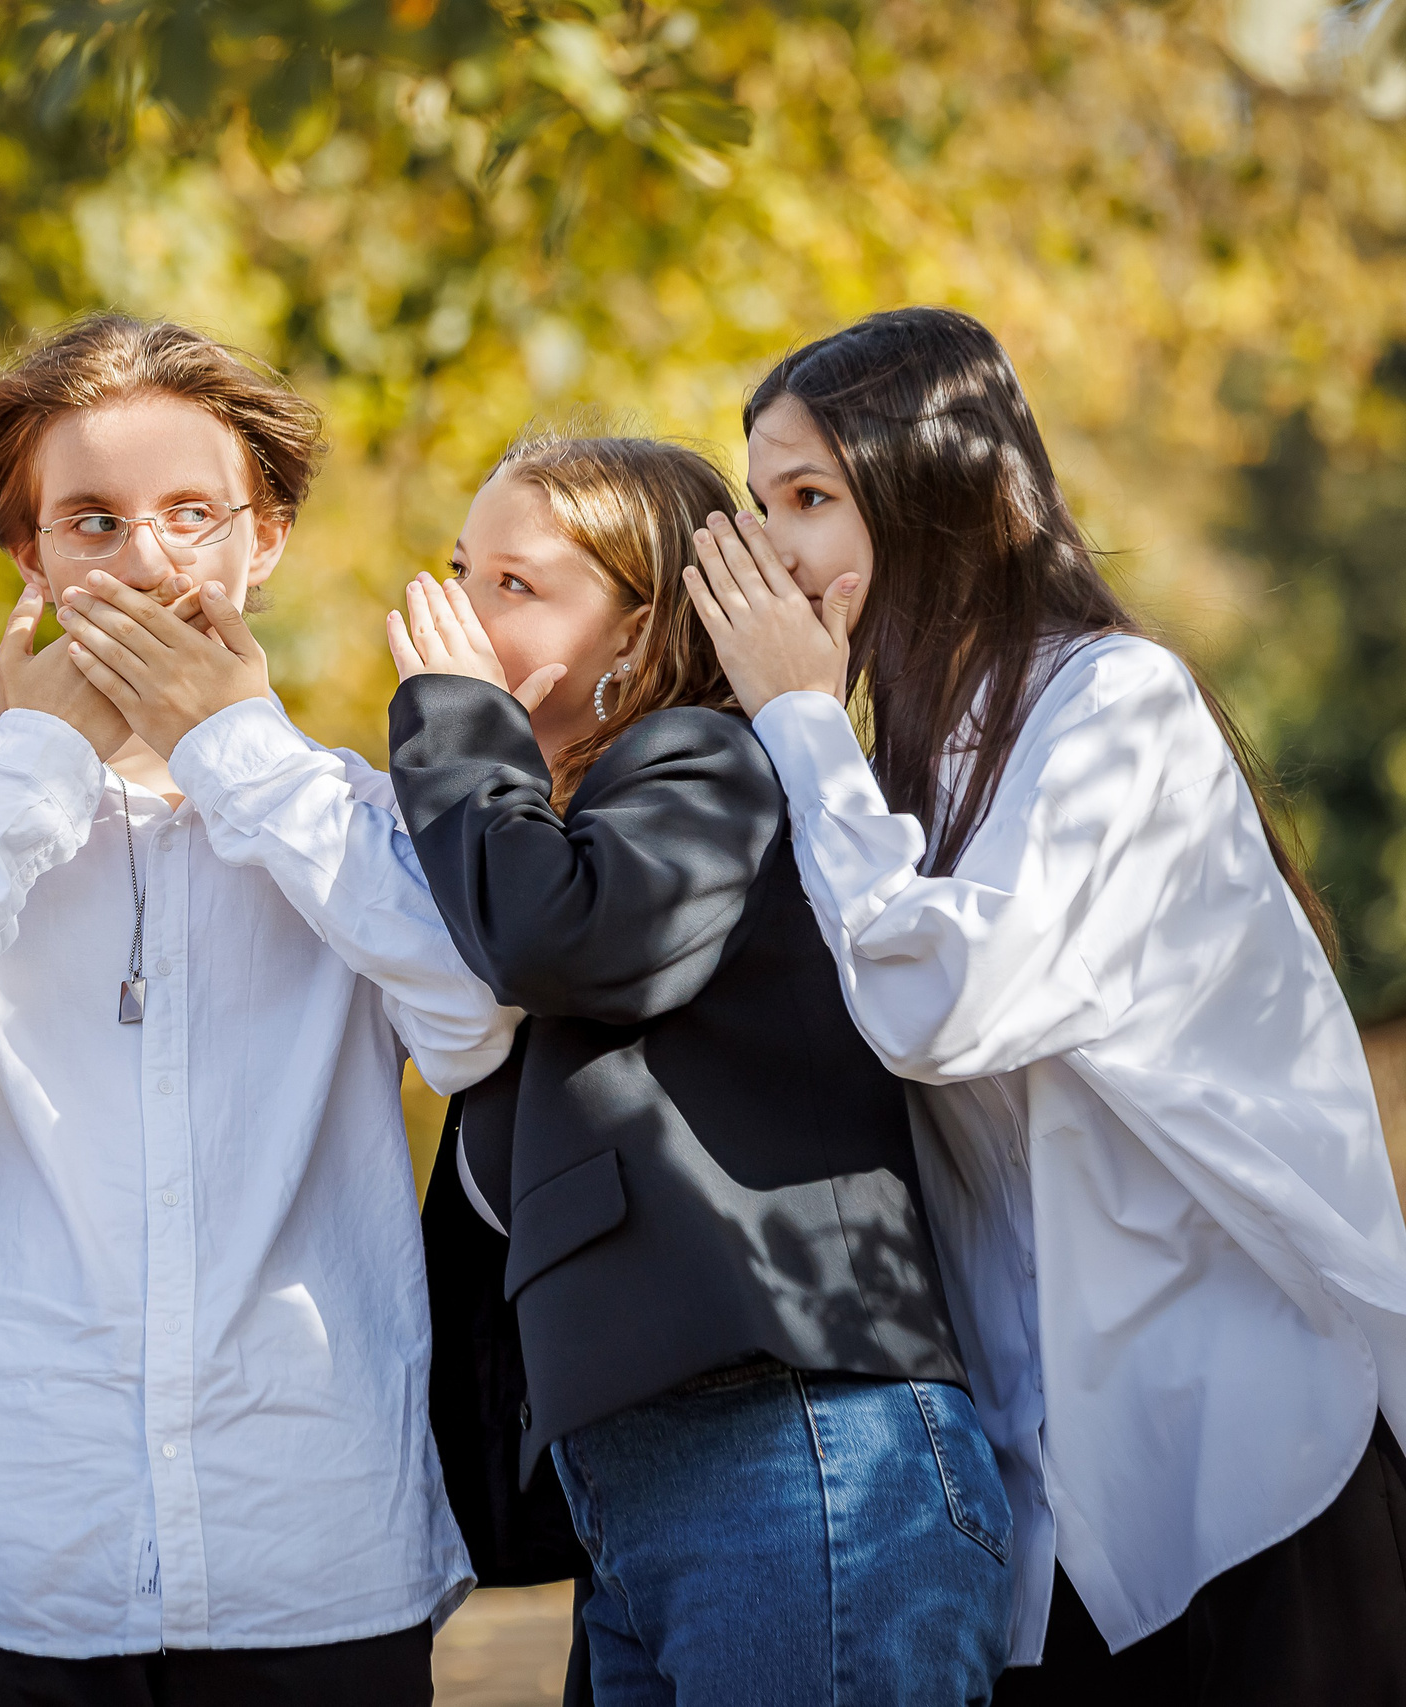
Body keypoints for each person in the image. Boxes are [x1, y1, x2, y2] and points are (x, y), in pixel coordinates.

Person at [0, 313, 516, 1707]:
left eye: (192, 513)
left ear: (266, 539)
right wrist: (33, 768)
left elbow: (476, 1025)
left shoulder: (360, 821)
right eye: (94, 520)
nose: (146, 560)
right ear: (32, 556)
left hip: (315, 1561)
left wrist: (241, 753)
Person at [684, 304, 1406, 1702]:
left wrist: (798, 727)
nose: (773, 550)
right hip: (1044, 1515)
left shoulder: (1113, 705)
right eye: (759, 503)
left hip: (1249, 1465)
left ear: (943, 496)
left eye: (813, 499)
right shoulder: (887, 773)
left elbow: (948, 999)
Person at [385, 432, 1011, 1706]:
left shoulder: (709, 761)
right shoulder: (550, 827)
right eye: (460, 571)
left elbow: (564, 946)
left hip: (795, 1450)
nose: (454, 614)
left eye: (515, 583)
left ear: (640, 626)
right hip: (656, 1484)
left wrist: (457, 724)